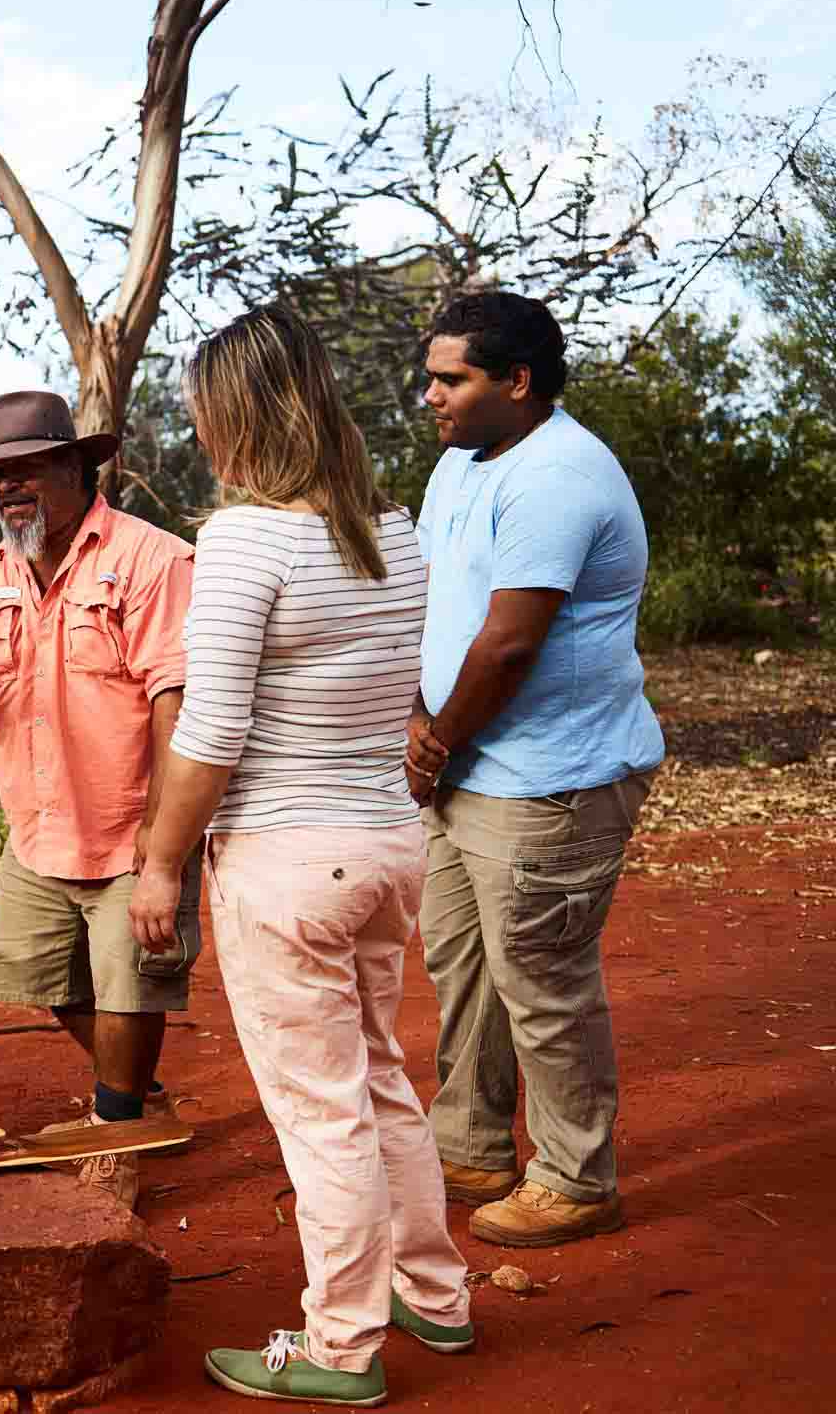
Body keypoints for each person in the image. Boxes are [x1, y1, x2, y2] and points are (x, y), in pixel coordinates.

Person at [130, 307, 472, 1405]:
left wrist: (156, 861)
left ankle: (339, 1345)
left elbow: (210, 733)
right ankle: (436, 1291)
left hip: (286, 860)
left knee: (321, 1107)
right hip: (385, 844)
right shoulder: (395, 530)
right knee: (378, 1078)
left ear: (230, 411)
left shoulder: (243, 538)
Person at [0, 390, 201, 1209]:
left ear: (75, 466)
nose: (7, 488)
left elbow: (176, 701)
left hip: (132, 819)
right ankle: (139, 1094)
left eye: (25, 469)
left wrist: (164, 840)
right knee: (43, 978)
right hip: (37, 827)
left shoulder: (150, 559)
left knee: (129, 983)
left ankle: (116, 1129)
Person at [407, 291, 664, 1248]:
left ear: (517, 381)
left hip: (547, 778)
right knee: (464, 965)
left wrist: (434, 741)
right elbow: (435, 607)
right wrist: (418, 721)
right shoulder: (460, 464)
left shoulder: (558, 475)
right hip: (472, 766)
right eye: (431, 375)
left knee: (544, 979)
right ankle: (472, 1145)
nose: (429, 395)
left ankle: (577, 1177)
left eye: (451, 378)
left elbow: (510, 644)